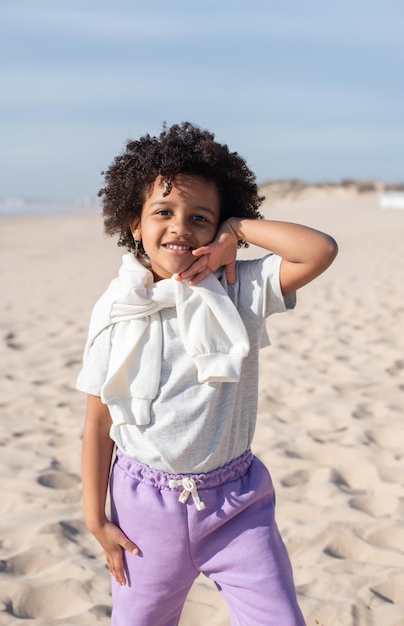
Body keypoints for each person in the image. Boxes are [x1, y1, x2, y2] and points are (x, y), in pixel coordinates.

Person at [77, 122, 338, 626]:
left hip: (237, 507)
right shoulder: (115, 310)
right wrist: (95, 516)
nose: (180, 226)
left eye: (201, 217)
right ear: (134, 223)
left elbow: (319, 250)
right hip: (141, 509)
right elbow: (97, 422)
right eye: (163, 212)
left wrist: (239, 231)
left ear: (219, 230)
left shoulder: (240, 291)